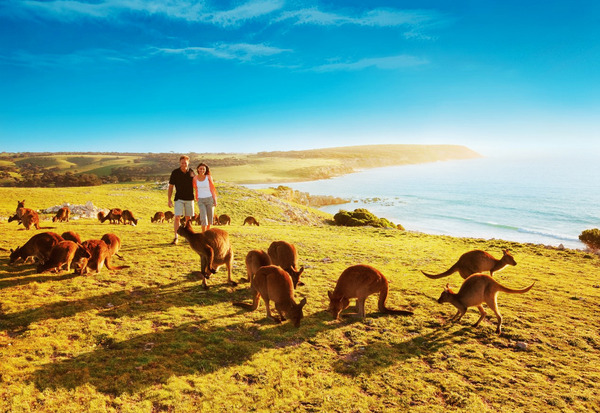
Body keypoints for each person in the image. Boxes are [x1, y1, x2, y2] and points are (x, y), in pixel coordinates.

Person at [168, 155, 195, 244]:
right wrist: (169, 199)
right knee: (177, 217)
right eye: (182, 163)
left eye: (185, 163)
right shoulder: (175, 172)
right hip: (179, 198)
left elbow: (196, 185)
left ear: (188, 163)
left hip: (189, 199)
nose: (184, 164)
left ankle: (187, 237)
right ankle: (176, 237)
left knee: (188, 219)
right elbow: (171, 187)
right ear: (180, 163)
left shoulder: (191, 172)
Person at [193, 162, 218, 232]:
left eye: (203, 169)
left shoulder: (209, 177)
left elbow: (212, 189)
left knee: (210, 217)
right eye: (200, 169)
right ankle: (203, 233)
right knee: (203, 217)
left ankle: (207, 232)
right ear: (198, 169)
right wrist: (197, 198)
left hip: (209, 199)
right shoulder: (195, 178)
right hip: (201, 200)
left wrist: (215, 200)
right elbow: (195, 189)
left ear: (206, 170)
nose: (202, 170)